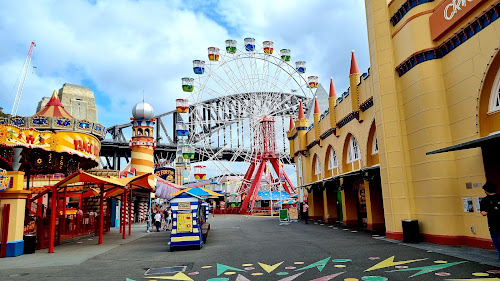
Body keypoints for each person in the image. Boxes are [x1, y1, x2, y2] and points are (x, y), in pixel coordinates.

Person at [480, 182, 500, 260]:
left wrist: (490, 210)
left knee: (499, 247)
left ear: (486, 190)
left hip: (494, 226)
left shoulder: (485, 200)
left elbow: (483, 213)